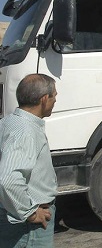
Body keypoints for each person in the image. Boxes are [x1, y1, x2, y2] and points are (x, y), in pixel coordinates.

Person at [0, 74, 58, 247]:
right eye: (54, 96)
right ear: (44, 99)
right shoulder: (25, 131)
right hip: (28, 227)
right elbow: (8, 179)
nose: (55, 101)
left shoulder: (9, 122)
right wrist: (30, 213)